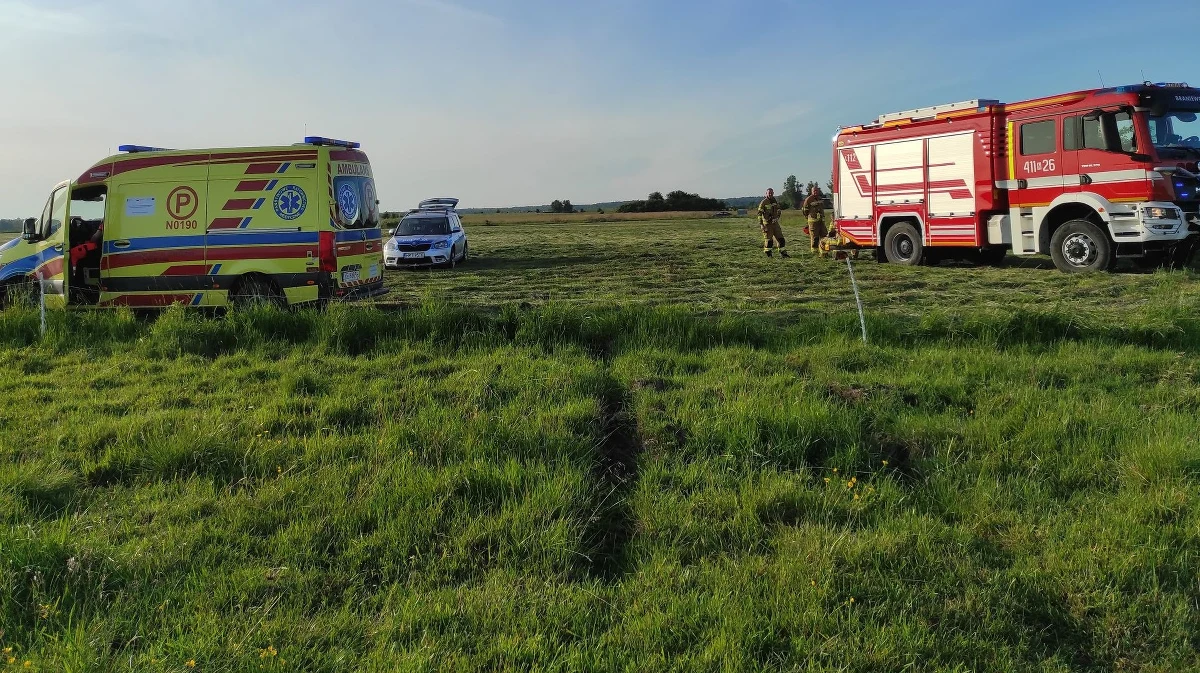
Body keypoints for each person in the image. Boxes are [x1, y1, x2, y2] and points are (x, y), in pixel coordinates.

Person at [757, 188, 787, 258]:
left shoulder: (774, 201)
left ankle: (783, 253)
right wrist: (761, 224)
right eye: (769, 193)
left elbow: (779, 210)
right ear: (766, 193)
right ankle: (768, 254)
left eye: (771, 193)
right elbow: (759, 214)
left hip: (775, 224)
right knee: (769, 240)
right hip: (767, 224)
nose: (770, 194)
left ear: (773, 193)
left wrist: (777, 217)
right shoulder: (763, 202)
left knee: (781, 239)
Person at [801, 186, 827, 254]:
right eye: (814, 191)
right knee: (815, 237)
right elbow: (804, 210)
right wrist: (808, 217)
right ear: (811, 191)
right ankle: (814, 252)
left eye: (817, 190)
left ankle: (823, 250)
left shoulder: (819, 198)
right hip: (813, 222)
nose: (815, 192)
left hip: (821, 221)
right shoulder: (808, 199)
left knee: (824, 235)